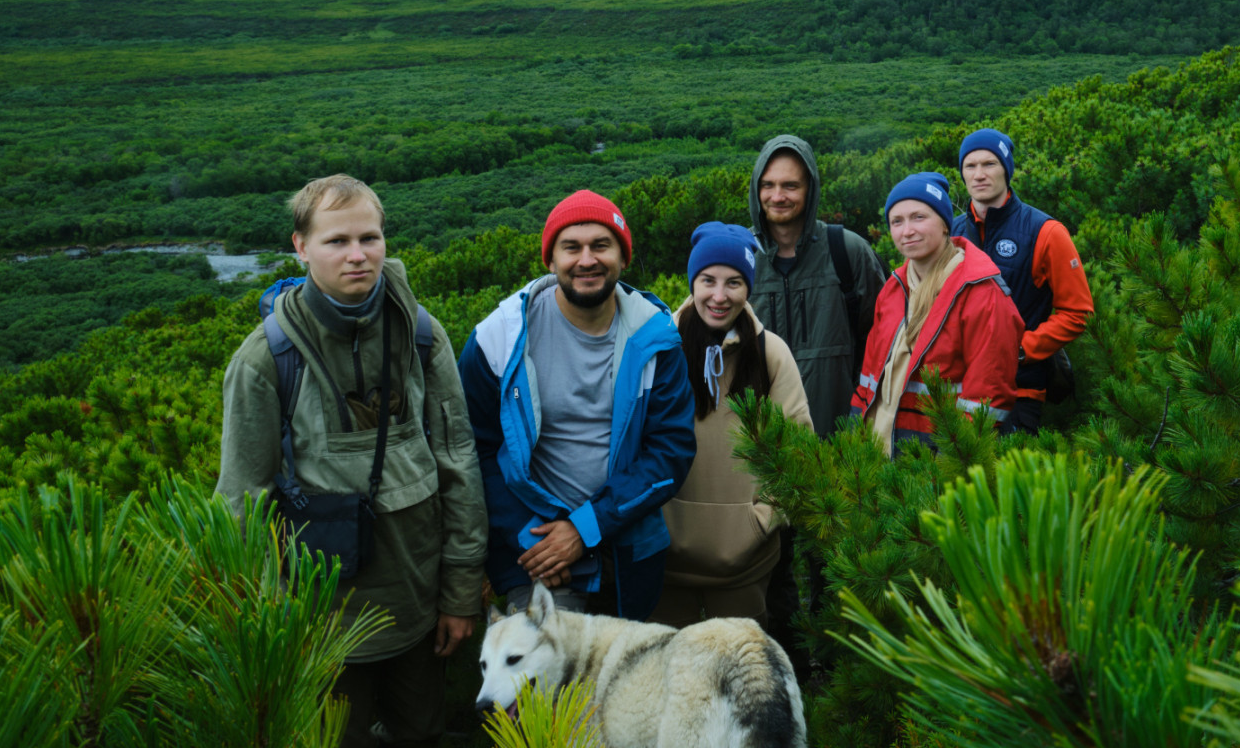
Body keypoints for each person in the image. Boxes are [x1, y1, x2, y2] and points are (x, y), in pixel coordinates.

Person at [216, 174, 487, 748]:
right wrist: (267, 624)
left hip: (417, 610)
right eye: (337, 241)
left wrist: (461, 594)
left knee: (423, 734)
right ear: (301, 246)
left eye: (370, 237)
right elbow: (242, 500)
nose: (358, 255)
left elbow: (457, 462)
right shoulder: (266, 359)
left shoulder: (421, 336)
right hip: (319, 621)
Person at [458, 190, 696, 622]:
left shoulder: (655, 339)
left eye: (601, 245)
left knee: (620, 683)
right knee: (544, 685)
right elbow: (474, 446)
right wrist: (529, 536)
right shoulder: (501, 339)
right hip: (536, 553)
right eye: (571, 247)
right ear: (551, 260)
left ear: (623, 257)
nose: (587, 260)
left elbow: (670, 453)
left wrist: (587, 527)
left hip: (627, 552)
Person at [653, 222, 814, 628]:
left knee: (740, 671)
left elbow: (798, 450)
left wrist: (760, 521)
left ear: (749, 288)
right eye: (707, 280)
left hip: (747, 560)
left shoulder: (769, 353)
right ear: (692, 282)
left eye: (734, 282)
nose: (719, 296)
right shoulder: (659, 347)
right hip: (664, 556)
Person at [850, 172, 1029, 452]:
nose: (907, 230)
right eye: (897, 221)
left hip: (936, 465)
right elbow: (870, 377)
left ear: (945, 224)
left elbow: (987, 401)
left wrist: (948, 463)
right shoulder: (894, 288)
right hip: (878, 457)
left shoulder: (982, 293)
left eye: (919, 217)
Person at [952, 129, 1093, 430]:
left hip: (1018, 394)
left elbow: (1077, 313)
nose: (979, 174)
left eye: (989, 164)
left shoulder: (1046, 232)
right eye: (970, 166)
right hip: (955, 392)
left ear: (1007, 169)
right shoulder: (950, 235)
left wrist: (1020, 349)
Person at [748, 134, 886, 437]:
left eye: (791, 185)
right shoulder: (740, 257)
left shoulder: (848, 251)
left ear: (810, 189)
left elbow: (883, 342)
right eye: (767, 185)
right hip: (761, 448)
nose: (777, 195)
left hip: (840, 442)